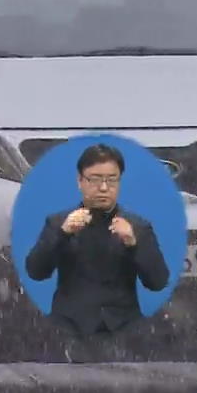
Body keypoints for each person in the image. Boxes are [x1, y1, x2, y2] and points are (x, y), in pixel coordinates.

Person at [25, 143, 171, 336]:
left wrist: (133, 244)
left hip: (124, 329)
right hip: (68, 329)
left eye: (112, 180)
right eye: (95, 180)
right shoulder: (58, 223)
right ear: (80, 181)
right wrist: (63, 234)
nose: (103, 188)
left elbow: (158, 283)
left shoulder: (137, 227)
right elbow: (36, 272)